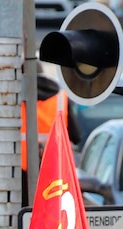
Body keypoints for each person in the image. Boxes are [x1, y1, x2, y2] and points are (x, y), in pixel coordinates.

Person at [20, 73, 81, 205]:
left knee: (24, 217)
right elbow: (77, 137)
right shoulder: (61, 97)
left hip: (21, 171)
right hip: (55, 168)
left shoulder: (16, 98)